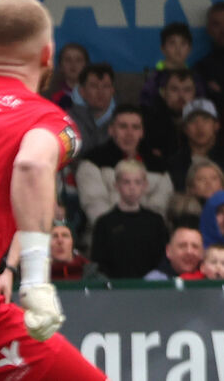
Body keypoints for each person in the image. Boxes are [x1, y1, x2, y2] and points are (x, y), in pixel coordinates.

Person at [0, 0, 106, 379]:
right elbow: (32, 166)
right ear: (48, 56)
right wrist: (36, 282)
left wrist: (7, 265)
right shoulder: (48, 119)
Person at [75, 105, 174, 236]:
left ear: (142, 132)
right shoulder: (93, 162)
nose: (129, 133)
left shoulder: (159, 166)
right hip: (106, 237)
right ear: (111, 130)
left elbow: (160, 207)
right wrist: (122, 233)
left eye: (135, 127)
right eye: (123, 126)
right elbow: (95, 205)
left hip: (149, 238)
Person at [90, 160, 169, 279]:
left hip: (151, 287)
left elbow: (163, 258)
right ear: (116, 185)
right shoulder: (104, 223)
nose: (132, 188)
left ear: (145, 185)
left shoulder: (156, 222)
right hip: (115, 289)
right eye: (126, 182)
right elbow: (98, 263)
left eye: (137, 182)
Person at [168, 98, 224, 192]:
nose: (200, 126)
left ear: (216, 125)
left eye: (205, 119)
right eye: (192, 121)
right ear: (185, 129)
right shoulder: (174, 164)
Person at [139, 22, 205, 109]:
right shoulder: (154, 77)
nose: (178, 49)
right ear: (163, 48)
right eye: (172, 43)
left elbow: (201, 105)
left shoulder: (195, 77)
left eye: (183, 43)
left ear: (189, 49)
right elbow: (145, 105)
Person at [141, 68, 197, 159]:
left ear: (194, 94)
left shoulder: (202, 122)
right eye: (174, 89)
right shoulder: (147, 122)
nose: (181, 95)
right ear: (163, 92)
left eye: (187, 90)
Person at [64, 62, 117, 153]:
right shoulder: (68, 120)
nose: (100, 92)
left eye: (106, 86)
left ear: (112, 90)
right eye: (94, 86)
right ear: (82, 91)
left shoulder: (123, 119)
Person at [47, 41, 88, 106]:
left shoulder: (93, 93)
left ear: (86, 65)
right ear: (60, 65)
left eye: (78, 60)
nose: (73, 64)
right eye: (68, 60)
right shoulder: (49, 94)